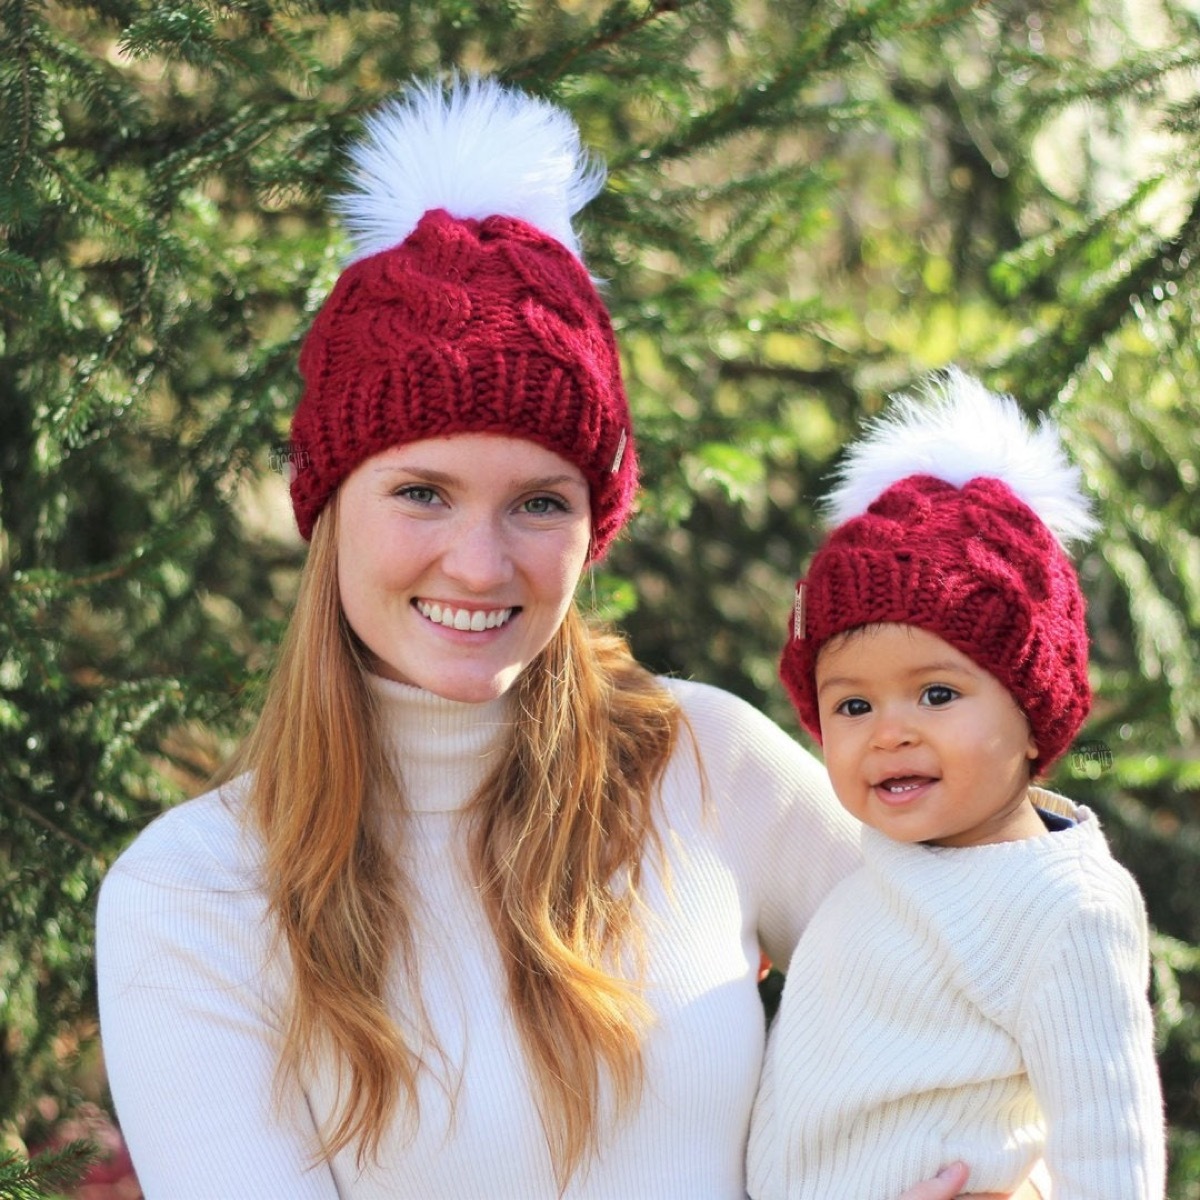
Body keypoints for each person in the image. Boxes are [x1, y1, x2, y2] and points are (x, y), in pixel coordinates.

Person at [96, 76, 1042, 1200]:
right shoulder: (196, 893)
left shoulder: (704, 762)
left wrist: (1003, 1179)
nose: (482, 564)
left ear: (596, 526)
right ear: (328, 504)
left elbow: (1003, 962)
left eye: (539, 502)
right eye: (423, 493)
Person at [747, 369, 1166, 1200]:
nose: (890, 730)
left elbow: (1111, 1147)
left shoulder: (1064, 905)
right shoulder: (881, 863)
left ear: (1031, 707)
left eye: (937, 694)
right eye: (853, 704)